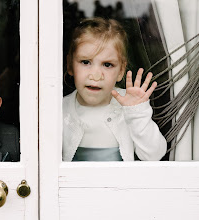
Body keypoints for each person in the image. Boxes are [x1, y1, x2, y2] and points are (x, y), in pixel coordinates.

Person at [63, 17, 167, 161]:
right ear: (70, 65)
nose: (96, 75)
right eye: (85, 62)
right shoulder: (60, 109)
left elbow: (155, 155)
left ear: (121, 70)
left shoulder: (130, 105)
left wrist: (137, 113)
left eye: (107, 65)